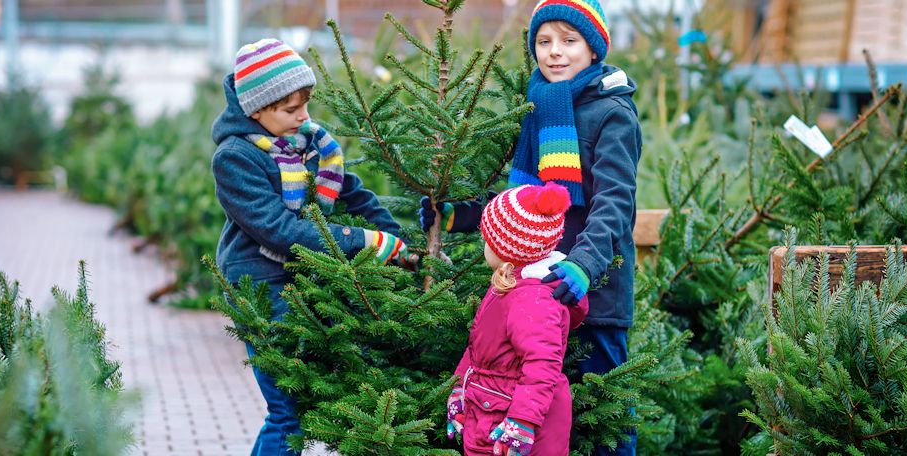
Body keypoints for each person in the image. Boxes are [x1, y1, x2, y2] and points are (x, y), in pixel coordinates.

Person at [422, 1, 641, 453]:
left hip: (591, 294)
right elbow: (522, 203)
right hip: (532, 298)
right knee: (544, 420)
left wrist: (584, 264)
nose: (555, 52)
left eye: (569, 40)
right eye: (544, 41)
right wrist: (460, 216)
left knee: (608, 423)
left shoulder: (612, 113)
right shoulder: (540, 105)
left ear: (594, 48)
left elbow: (615, 203)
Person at [211, 38, 413, 456]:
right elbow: (279, 229)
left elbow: (356, 197)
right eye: (290, 109)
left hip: (304, 279)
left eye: (306, 104)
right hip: (260, 288)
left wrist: (403, 245)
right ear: (256, 110)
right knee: (288, 414)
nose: (304, 116)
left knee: (307, 405)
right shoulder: (235, 158)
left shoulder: (308, 144)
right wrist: (364, 243)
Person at [446, 182, 589, 455]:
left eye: (487, 238)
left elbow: (542, 366)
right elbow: (480, 350)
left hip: (509, 423)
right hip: (489, 410)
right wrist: (459, 390)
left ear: (506, 249)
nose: (484, 244)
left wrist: (521, 423)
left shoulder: (532, 300)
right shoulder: (509, 284)